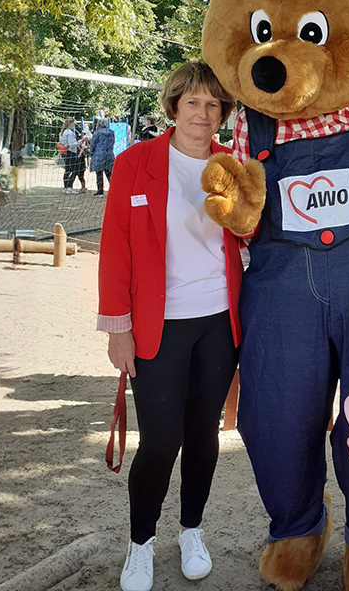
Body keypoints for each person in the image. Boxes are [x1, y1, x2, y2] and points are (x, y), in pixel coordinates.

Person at [98, 62, 243, 591]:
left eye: (214, 105)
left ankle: (192, 530)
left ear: (223, 113)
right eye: (194, 103)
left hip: (218, 322)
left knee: (204, 435)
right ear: (174, 106)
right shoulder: (136, 163)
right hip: (158, 325)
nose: (203, 114)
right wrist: (118, 327)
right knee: (161, 439)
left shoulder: (234, 166)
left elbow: (247, 236)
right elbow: (115, 248)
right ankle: (141, 544)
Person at [90, 117, 116, 197]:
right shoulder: (112, 132)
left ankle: (100, 191)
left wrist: (91, 153)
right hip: (109, 154)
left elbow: (93, 144)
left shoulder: (97, 133)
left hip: (99, 154)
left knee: (99, 174)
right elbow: (113, 142)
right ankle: (114, 190)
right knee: (109, 174)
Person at [59, 118, 81, 193]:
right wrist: (81, 141)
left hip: (66, 153)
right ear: (70, 124)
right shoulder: (69, 133)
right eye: (73, 123)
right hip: (71, 152)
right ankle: (69, 187)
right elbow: (72, 145)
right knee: (75, 170)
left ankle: (65, 187)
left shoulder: (64, 132)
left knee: (67, 170)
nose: (74, 125)